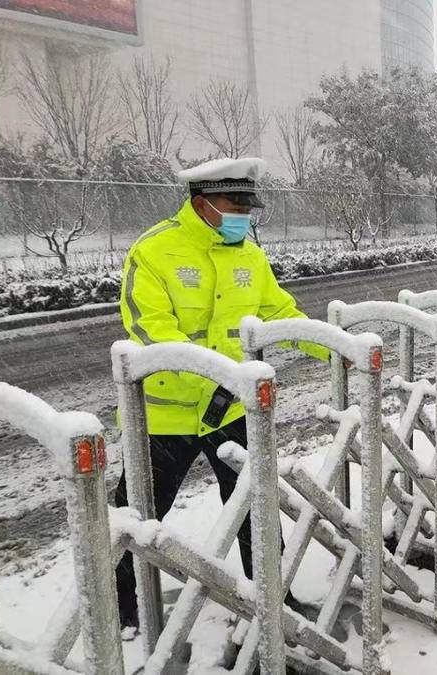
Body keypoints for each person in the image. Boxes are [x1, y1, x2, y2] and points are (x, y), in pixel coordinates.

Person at [114, 157, 327, 631]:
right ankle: (121, 611)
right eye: (236, 205)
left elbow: (278, 313)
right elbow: (153, 333)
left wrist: (331, 348)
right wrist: (222, 377)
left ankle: (274, 601)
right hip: (164, 421)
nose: (245, 216)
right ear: (202, 202)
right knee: (134, 518)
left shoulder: (249, 254)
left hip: (230, 410)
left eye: (249, 207)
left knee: (257, 504)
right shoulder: (154, 250)